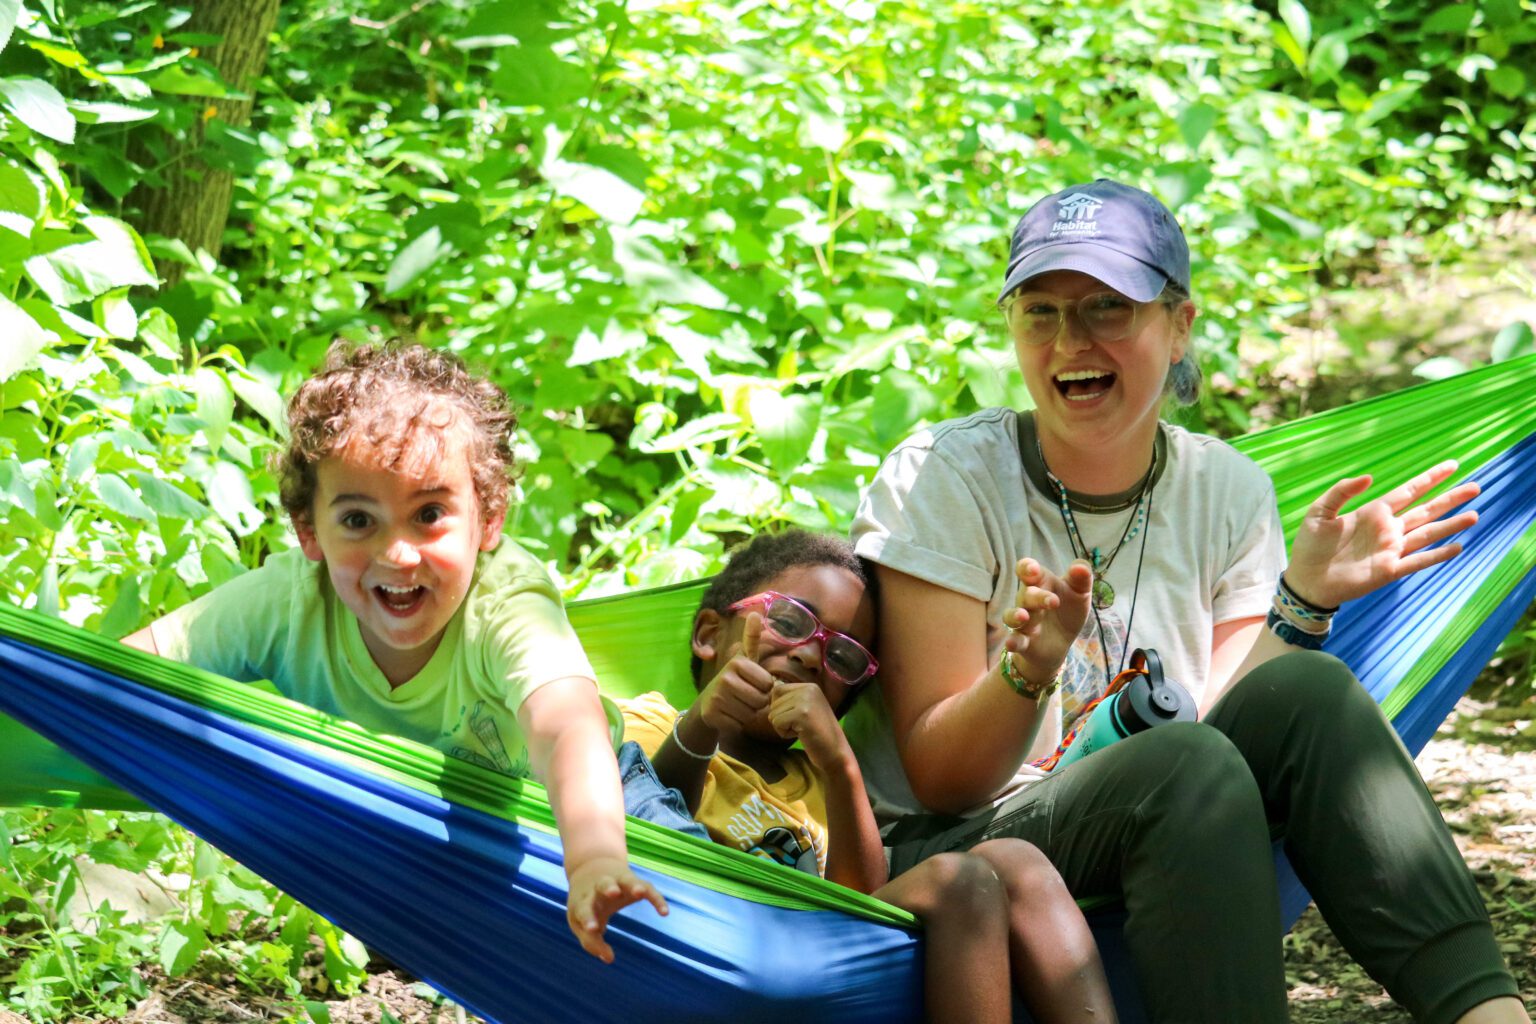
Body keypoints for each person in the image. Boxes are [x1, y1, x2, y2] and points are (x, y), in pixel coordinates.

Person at [843, 179, 1529, 1023]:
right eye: (1040, 311)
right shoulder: (944, 476)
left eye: (1108, 307)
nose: (1070, 341)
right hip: (962, 852)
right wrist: (1026, 673)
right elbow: (943, 782)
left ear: (1179, 327)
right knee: (1184, 766)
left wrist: (1302, 601)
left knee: (1309, 690)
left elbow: (1231, 733)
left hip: (1154, 815)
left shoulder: (1226, 490)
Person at [123, 342, 665, 964]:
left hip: (601, 807)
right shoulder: (288, 602)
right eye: (358, 520)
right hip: (426, 838)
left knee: (682, 933)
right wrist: (39, 687)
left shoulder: (508, 604)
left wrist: (595, 859)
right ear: (309, 531)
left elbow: (566, 729)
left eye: (429, 514)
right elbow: (117, 673)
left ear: (489, 518)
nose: (398, 554)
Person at [620, 530, 1117, 1024]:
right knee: (958, 881)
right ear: (709, 635)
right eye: (789, 622)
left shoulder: (819, 778)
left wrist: (840, 764)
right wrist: (703, 723)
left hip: (824, 958)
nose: (809, 656)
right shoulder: (649, 721)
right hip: (714, 941)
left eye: (842, 657)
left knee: (1017, 863)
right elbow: (644, 818)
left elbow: (860, 905)